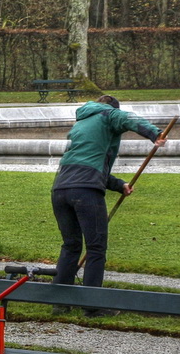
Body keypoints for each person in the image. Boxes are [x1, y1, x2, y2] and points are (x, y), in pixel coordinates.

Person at [51, 95, 166, 314]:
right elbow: (128, 119)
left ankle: (58, 303)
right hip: (85, 191)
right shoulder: (108, 113)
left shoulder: (82, 122)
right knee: (96, 248)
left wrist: (118, 184)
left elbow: (86, 163)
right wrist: (155, 134)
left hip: (60, 189)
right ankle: (93, 306)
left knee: (71, 245)